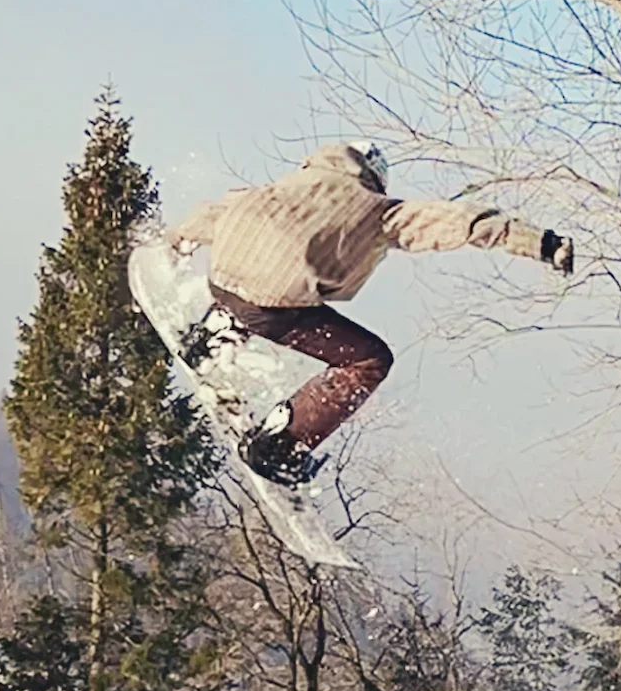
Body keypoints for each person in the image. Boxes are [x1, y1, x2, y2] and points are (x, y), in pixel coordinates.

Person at [169, 140, 574, 485]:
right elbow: (461, 222)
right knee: (369, 360)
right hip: (270, 306)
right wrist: (540, 242)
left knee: (268, 283)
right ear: (375, 179)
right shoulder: (378, 210)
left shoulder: (291, 184)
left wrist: (174, 245)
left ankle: (216, 332)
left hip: (220, 281)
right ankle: (281, 443)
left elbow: (218, 213)